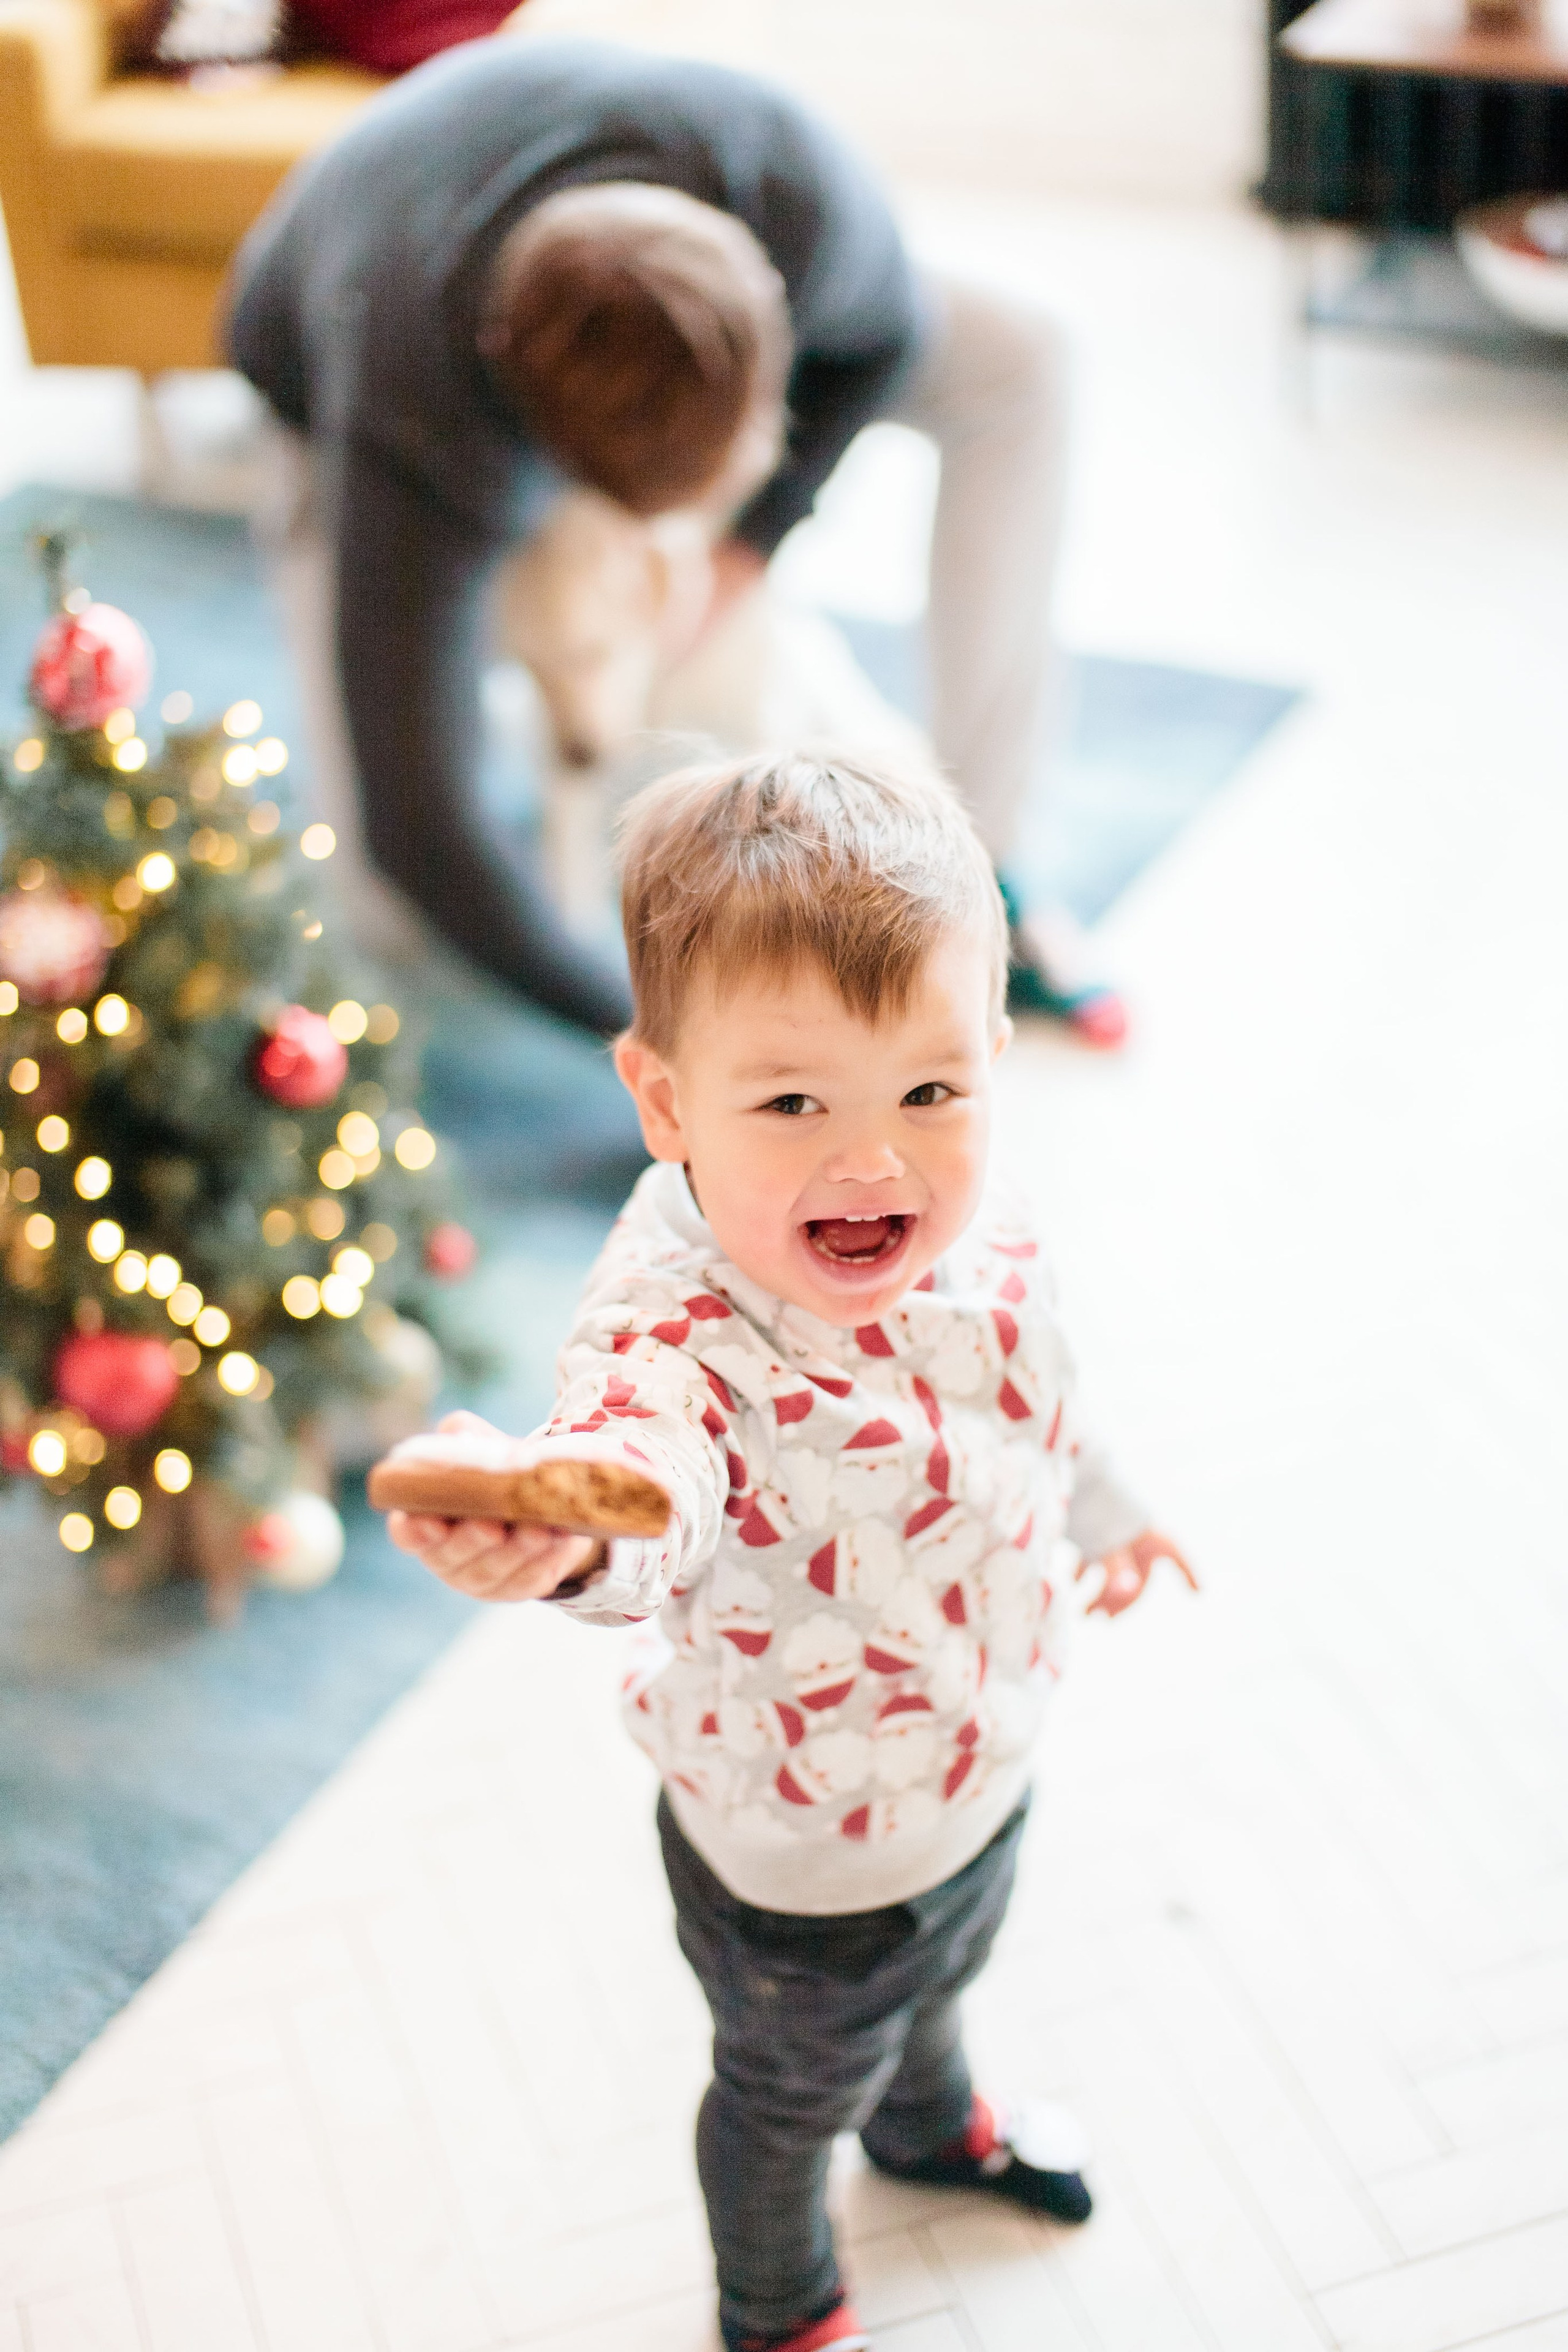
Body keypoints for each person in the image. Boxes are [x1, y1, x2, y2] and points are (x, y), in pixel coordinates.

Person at [385, 748, 1193, 2352]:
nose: (876, 1160)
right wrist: (553, 1529)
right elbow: (643, 1471)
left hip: (982, 1746)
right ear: (669, 1101)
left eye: (932, 1091)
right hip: (804, 1869)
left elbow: (1037, 1382)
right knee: (781, 2100)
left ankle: (926, 2126)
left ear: (990, 1056)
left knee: (950, 1980)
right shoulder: (677, 1329)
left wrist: (1111, 1507)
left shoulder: (986, 1218)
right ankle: (779, 2303)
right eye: (792, 1103)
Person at [228, 33, 1126, 1046]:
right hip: (330, 312)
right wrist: (663, 1035)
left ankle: (994, 857)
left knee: (1025, 359)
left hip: (614, 175)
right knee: (385, 907)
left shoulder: (801, 201)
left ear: (776, 313)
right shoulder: (418, 423)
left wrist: (749, 542)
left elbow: (888, 342)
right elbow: (420, 833)